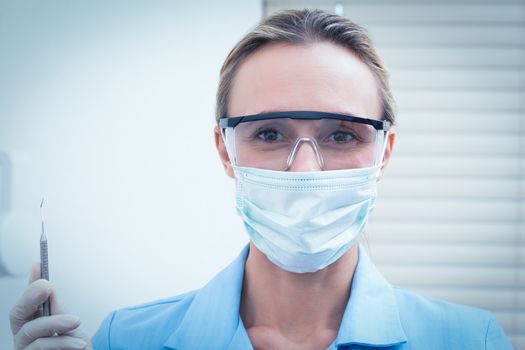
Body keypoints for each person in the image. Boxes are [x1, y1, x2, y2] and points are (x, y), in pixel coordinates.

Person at [10, 9, 513, 350]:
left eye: (342, 135)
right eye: (270, 133)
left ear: (384, 153)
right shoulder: (127, 338)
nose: (305, 171)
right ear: (224, 151)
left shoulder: (471, 339)